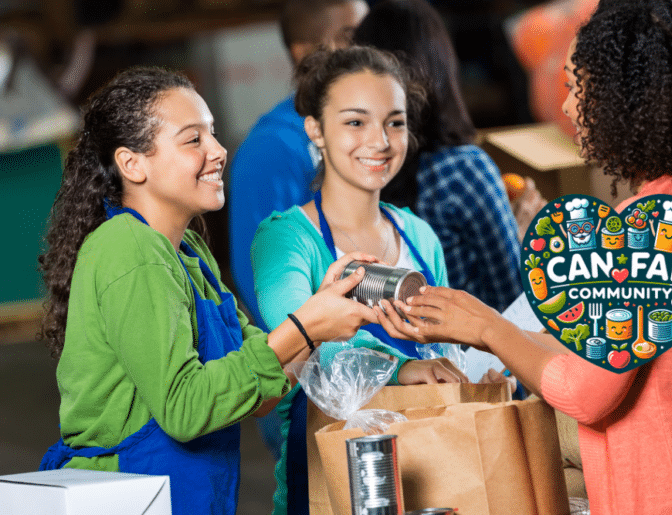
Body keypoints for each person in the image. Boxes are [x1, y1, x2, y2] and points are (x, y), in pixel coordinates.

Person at [378, 0, 672, 513]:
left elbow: (588, 393)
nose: (565, 109)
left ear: (626, 98)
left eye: (575, 88)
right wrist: (481, 325)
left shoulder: (659, 222)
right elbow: (615, 355)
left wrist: (487, 330)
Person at [36, 66, 384, 515]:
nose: (218, 151)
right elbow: (185, 410)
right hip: (129, 498)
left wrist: (320, 317)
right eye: (193, 139)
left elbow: (262, 394)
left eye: (213, 134)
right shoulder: (129, 249)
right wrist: (304, 325)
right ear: (132, 163)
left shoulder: (187, 252)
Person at [251, 46, 468, 515]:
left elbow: (445, 346)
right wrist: (401, 371)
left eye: (395, 122)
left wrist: (472, 375)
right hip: (331, 482)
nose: (381, 141)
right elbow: (296, 341)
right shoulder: (287, 240)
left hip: (433, 476)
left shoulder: (420, 236)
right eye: (355, 122)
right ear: (316, 130)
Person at [228, 0, 369, 461]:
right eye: (350, 33)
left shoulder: (361, 132)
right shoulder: (271, 149)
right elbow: (267, 285)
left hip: (365, 367)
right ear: (304, 51)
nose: (366, 45)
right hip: (312, 379)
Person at [353, 0, 535, 313]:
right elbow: (513, 301)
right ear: (441, 67)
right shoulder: (461, 170)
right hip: (468, 357)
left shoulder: (348, 170)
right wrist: (525, 235)